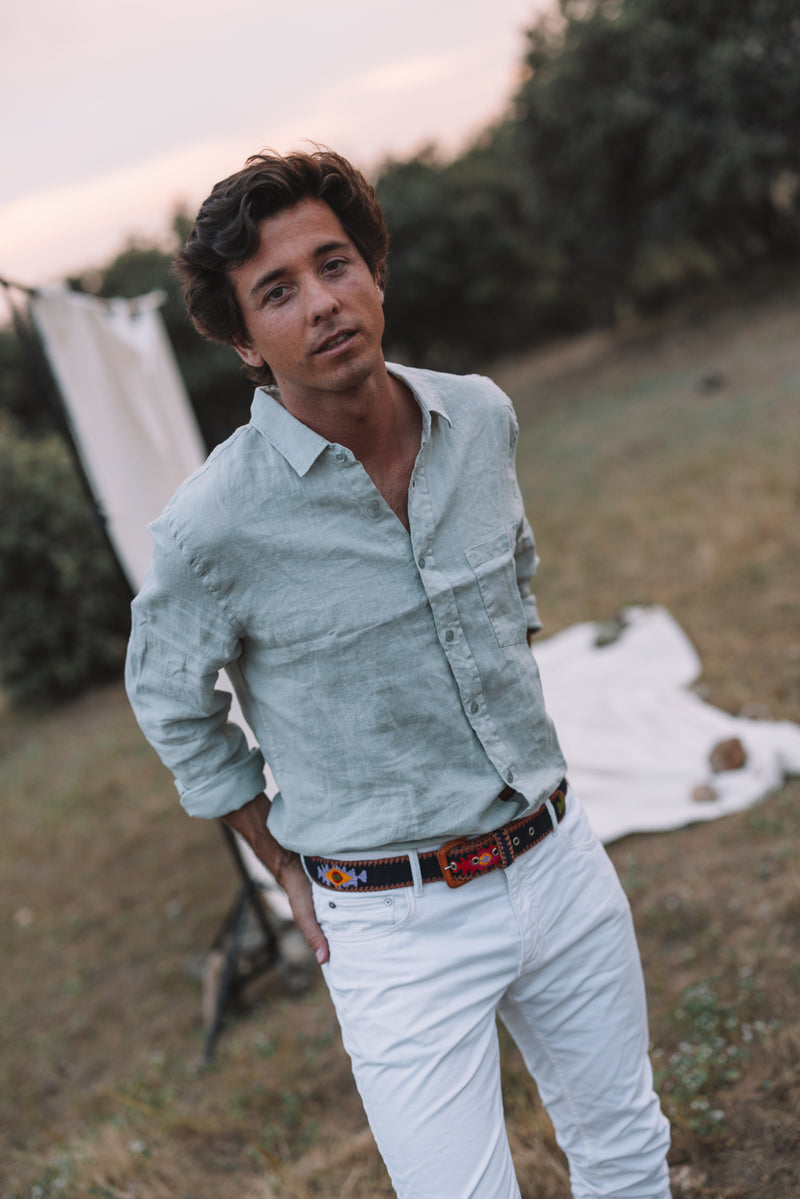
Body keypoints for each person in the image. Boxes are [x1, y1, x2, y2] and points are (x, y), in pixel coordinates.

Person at [125, 148, 671, 1199]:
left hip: (556, 857)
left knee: (626, 1151)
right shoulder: (212, 525)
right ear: (244, 341)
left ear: (374, 272)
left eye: (334, 264)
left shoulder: (480, 418)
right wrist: (278, 861)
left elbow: (513, 573)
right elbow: (168, 700)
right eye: (277, 291)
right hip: (390, 920)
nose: (321, 302)